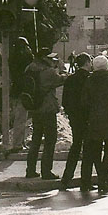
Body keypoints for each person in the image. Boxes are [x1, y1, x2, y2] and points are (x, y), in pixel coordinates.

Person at [81, 54, 108, 193]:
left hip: (95, 117)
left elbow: (84, 101)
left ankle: (100, 178)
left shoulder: (89, 80)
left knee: (95, 149)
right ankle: (103, 179)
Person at [23, 48, 66, 180]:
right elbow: (62, 80)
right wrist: (62, 68)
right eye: (50, 58)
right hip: (47, 109)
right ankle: (46, 171)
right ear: (44, 58)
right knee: (50, 140)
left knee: (36, 139)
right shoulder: (48, 72)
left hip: (35, 108)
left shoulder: (29, 68)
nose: (52, 60)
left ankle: (30, 170)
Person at [60, 53, 92, 190]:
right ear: (87, 63)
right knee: (89, 148)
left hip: (75, 117)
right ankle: (85, 182)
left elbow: (65, 101)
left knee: (76, 146)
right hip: (87, 117)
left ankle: (66, 178)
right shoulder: (89, 79)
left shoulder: (70, 79)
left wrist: (71, 114)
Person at [9, 37, 34, 151]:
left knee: (20, 118)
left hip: (15, 90)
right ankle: (18, 144)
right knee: (21, 119)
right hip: (23, 91)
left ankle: (20, 142)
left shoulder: (12, 58)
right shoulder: (24, 58)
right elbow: (30, 60)